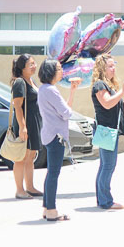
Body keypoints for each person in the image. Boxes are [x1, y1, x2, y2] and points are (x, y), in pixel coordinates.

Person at [36, 59, 79, 221]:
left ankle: (47, 208)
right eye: (59, 68)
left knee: (51, 173)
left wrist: (72, 91)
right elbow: (67, 113)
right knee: (54, 173)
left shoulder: (44, 89)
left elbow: (63, 111)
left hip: (49, 135)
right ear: (51, 71)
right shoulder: (51, 91)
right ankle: (52, 211)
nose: (62, 71)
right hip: (56, 137)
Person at [91, 54, 124, 210]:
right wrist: (123, 90)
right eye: (110, 66)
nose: (113, 68)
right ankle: (106, 201)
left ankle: (102, 199)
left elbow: (115, 107)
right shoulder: (100, 85)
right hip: (106, 130)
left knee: (105, 165)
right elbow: (107, 104)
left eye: (114, 64)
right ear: (102, 68)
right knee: (108, 165)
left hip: (109, 130)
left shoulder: (107, 84)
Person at [10, 54, 42, 200]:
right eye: (31, 64)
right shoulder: (19, 83)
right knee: (21, 157)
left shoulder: (31, 81)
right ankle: (19, 190)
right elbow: (17, 106)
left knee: (31, 156)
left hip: (34, 123)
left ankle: (30, 187)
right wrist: (22, 127)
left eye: (34, 63)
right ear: (22, 68)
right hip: (25, 124)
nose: (34, 66)